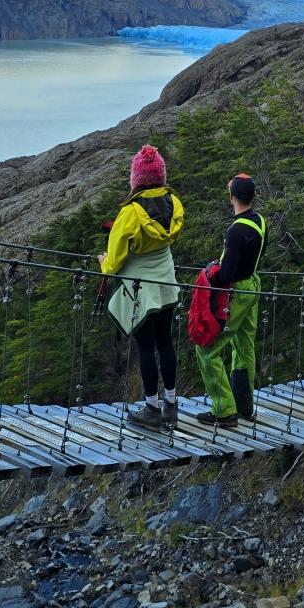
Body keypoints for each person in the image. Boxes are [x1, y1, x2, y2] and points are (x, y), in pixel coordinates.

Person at [98, 145, 184, 429]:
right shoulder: (174, 202)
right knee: (165, 343)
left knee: (145, 348)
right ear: (161, 175)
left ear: (136, 178)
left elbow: (114, 261)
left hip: (140, 290)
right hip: (166, 284)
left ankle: (151, 408)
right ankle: (171, 404)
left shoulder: (130, 213)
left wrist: (104, 263)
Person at [195, 173, 267, 427]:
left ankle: (224, 410)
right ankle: (244, 406)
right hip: (253, 286)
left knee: (207, 350)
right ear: (254, 196)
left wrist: (211, 270)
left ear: (231, 197)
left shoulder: (236, 231)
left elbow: (226, 274)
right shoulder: (260, 222)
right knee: (244, 345)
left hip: (236, 293)